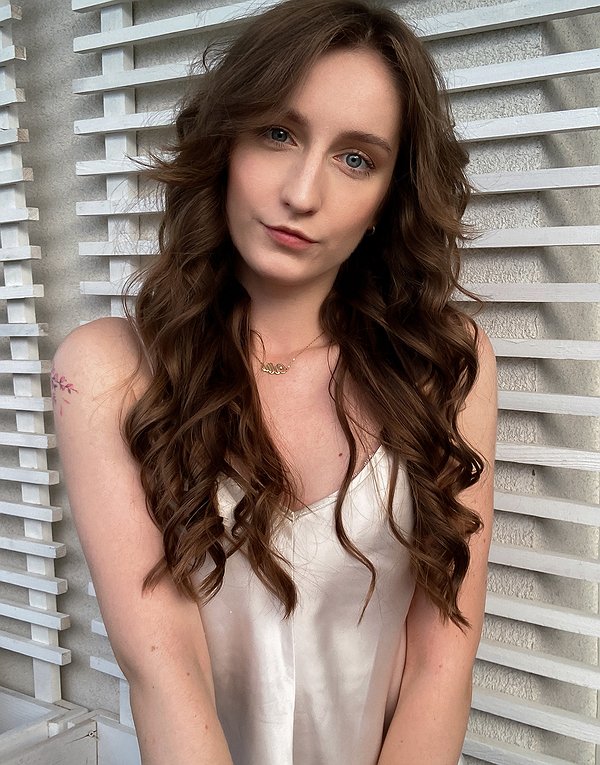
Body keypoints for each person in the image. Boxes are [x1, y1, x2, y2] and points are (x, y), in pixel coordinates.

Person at [53, 0, 497, 763]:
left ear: (388, 200)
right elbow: (166, 673)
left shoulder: (445, 363)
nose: (302, 191)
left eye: (355, 158)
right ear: (226, 142)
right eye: (279, 133)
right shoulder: (107, 369)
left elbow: (441, 658)